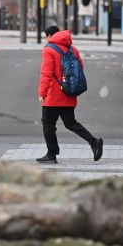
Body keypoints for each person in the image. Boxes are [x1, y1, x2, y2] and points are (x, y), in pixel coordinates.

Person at [37, 25, 103, 164]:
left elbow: (46, 74)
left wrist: (42, 93)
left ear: (49, 36)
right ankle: (93, 142)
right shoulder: (73, 49)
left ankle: (51, 153)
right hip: (69, 92)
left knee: (48, 123)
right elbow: (80, 69)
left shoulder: (49, 50)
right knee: (70, 123)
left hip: (53, 95)